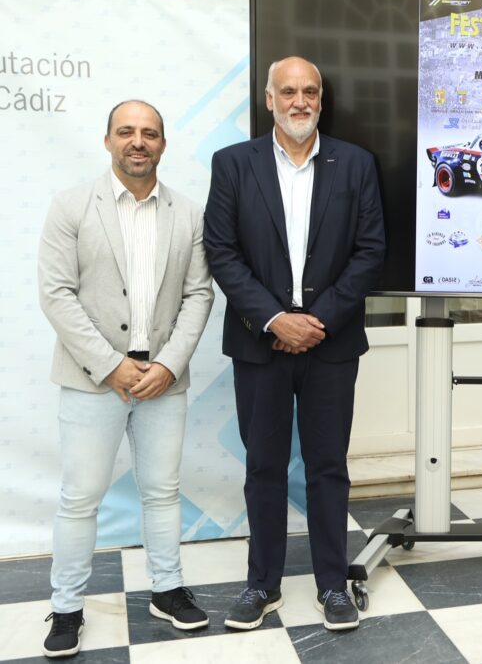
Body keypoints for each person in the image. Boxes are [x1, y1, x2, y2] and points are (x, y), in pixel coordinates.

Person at [203, 56, 386, 632]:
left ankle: (333, 584)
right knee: (264, 467)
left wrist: (315, 321)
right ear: (269, 99)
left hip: (330, 346)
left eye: (310, 91)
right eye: (289, 91)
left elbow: (370, 251)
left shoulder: (355, 164)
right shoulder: (234, 163)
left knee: (328, 467)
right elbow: (221, 251)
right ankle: (263, 584)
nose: (300, 101)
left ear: (321, 100)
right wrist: (276, 319)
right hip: (261, 346)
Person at [37, 100, 215, 657]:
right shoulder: (69, 206)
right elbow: (56, 295)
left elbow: (198, 293)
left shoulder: (188, 213)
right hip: (94, 377)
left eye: (150, 133)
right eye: (127, 132)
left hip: (164, 379)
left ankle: (166, 589)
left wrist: (167, 365)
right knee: (80, 498)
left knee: (162, 494)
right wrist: (112, 365)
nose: (138, 142)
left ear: (163, 144)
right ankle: (66, 607)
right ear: (108, 139)